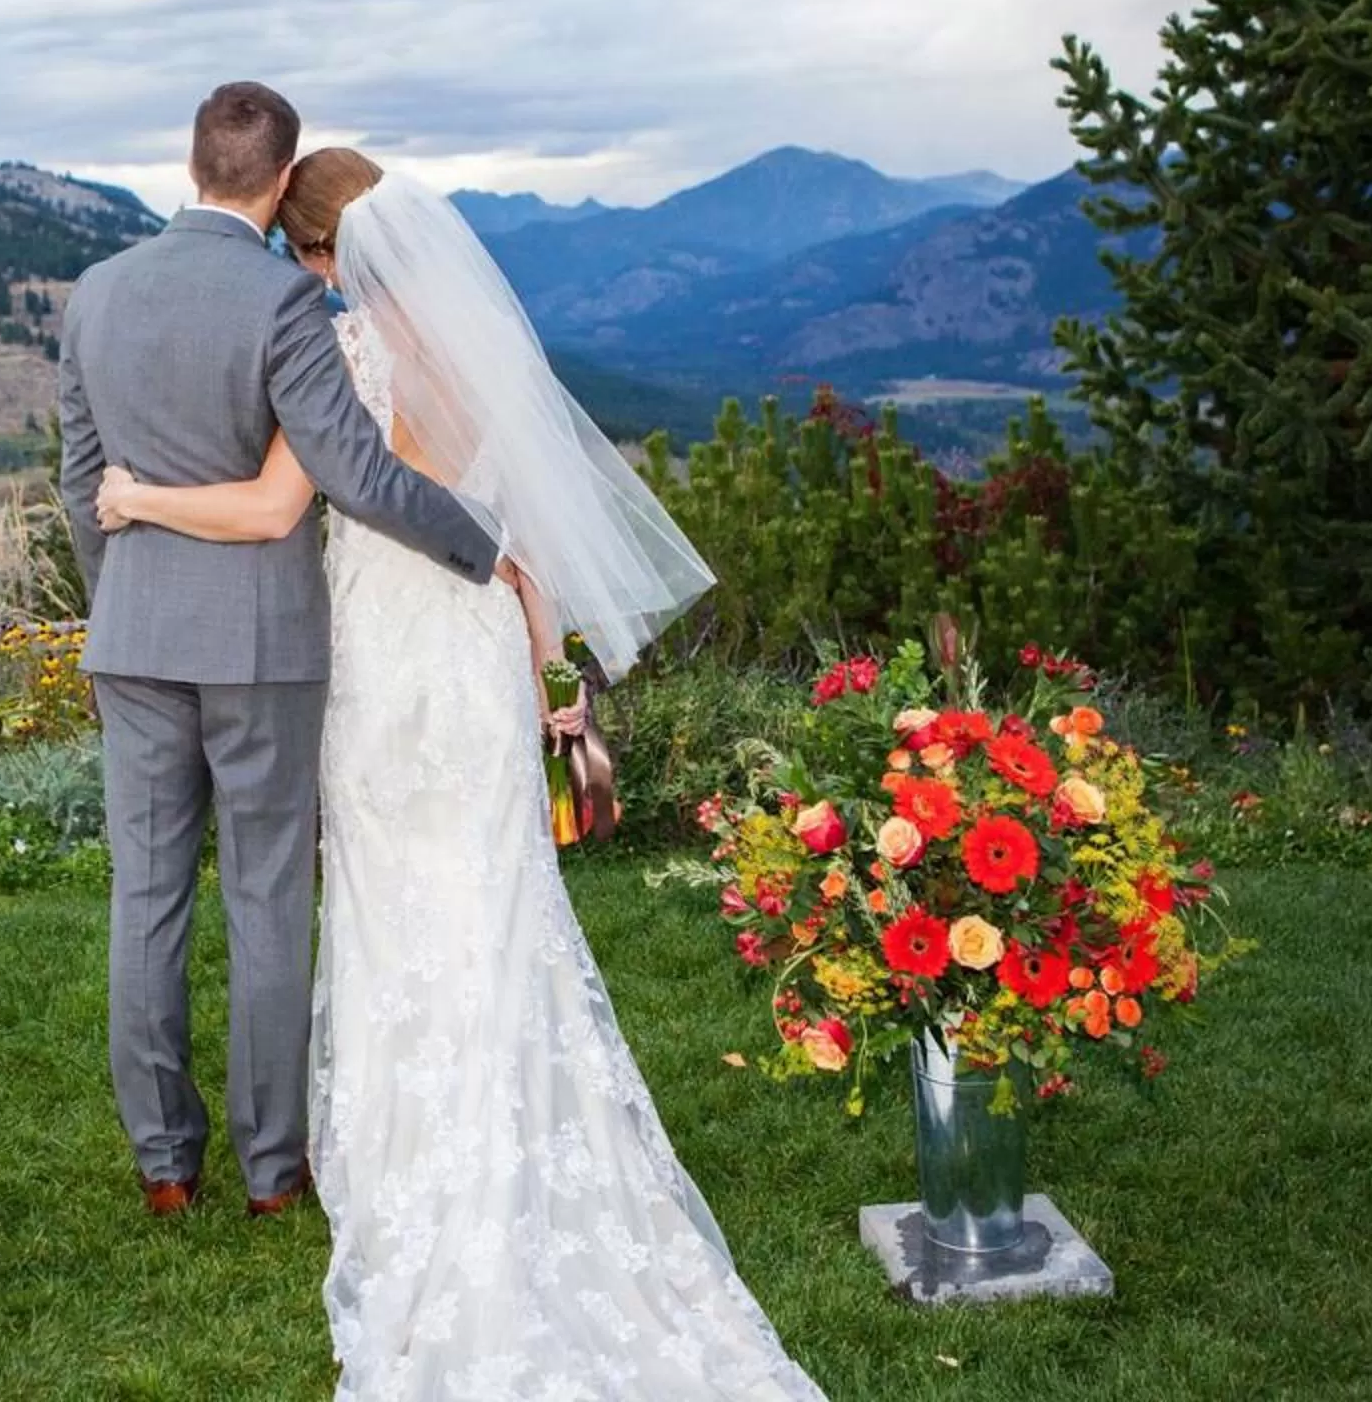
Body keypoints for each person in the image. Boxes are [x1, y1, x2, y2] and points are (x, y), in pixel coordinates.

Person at [96, 147, 829, 1400]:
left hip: (387, 659)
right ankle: (509, 1115)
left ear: (320, 253)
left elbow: (278, 507)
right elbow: (516, 534)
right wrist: (551, 673)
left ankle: (405, 1143)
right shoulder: (478, 352)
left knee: (393, 893)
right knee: (494, 895)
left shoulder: (341, 355)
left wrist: (134, 496)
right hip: (478, 651)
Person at [55, 84, 503, 1221]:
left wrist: (125, 607)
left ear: (194, 160)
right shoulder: (283, 301)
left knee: (144, 895)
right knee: (263, 898)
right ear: (280, 172)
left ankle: (164, 1163)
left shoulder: (96, 293)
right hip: (262, 646)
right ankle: (270, 1171)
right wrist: (481, 540)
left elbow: (79, 484)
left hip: (136, 636)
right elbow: (354, 475)